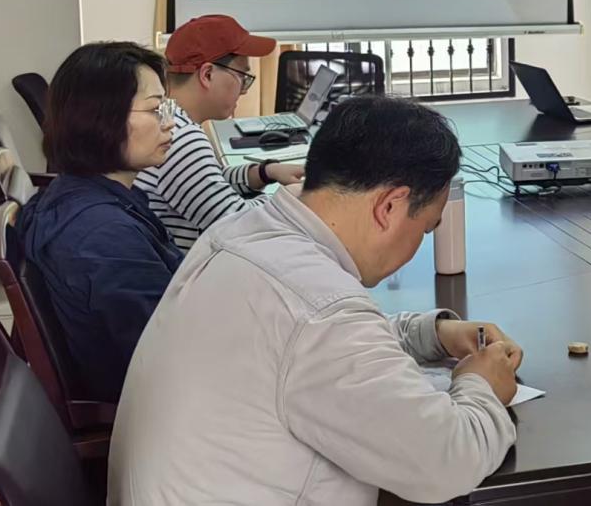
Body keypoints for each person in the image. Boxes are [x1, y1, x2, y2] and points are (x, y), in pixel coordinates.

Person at [109, 95, 521, 505]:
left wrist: (429, 334)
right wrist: (482, 384)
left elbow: (293, 345)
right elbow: (445, 461)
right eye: (426, 227)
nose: (419, 244)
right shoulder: (320, 310)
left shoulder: (241, 232)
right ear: (389, 206)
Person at [15, 42, 183, 403]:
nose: (169, 123)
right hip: (155, 408)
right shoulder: (103, 235)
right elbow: (170, 358)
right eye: (156, 109)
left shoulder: (81, 194)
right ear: (100, 119)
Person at [134, 14, 303, 251]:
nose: (244, 90)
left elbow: (209, 181)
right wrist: (295, 198)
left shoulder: (168, 119)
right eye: (242, 76)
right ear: (207, 75)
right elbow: (240, 227)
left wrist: (264, 173)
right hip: (183, 271)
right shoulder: (179, 138)